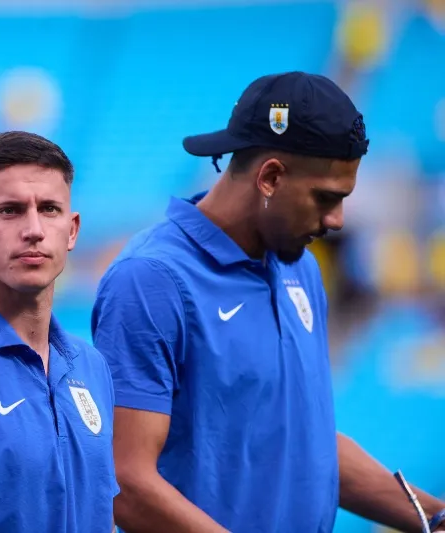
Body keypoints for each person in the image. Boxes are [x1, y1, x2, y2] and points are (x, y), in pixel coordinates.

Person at [91, 71, 445, 533]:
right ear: (271, 177)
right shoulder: (151, 280)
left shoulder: (301, 267)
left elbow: (307, 442)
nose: (336, 220)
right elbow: (126, 482)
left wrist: (434, 518)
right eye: (325, 198)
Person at [0, 131, 118, 532]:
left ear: (72, 230)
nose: (34, 229)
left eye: (50, 209)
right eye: (9, 211)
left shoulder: (90, 366)